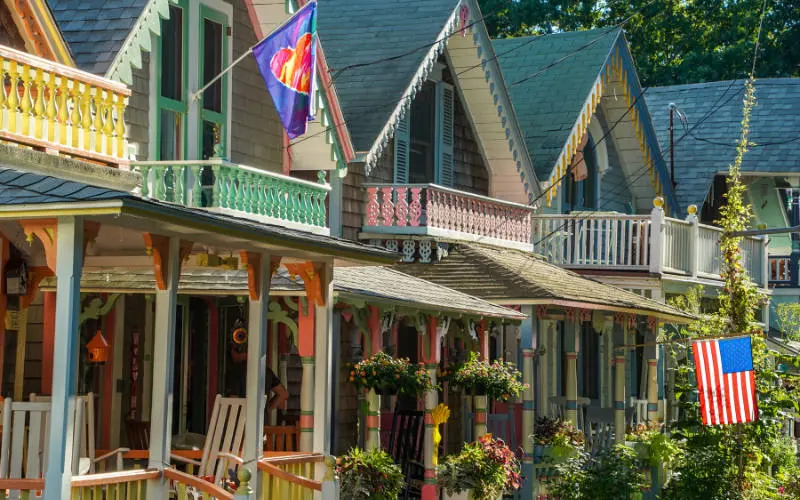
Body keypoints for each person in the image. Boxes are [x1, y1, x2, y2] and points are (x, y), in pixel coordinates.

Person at [227, 322, 289, 412]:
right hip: (261, 423)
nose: (231, 356)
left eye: (231, 351)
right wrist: (266, 410)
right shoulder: (266, 371)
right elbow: (283, 394)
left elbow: (233, 402)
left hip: (242, 424)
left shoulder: (235, 372)